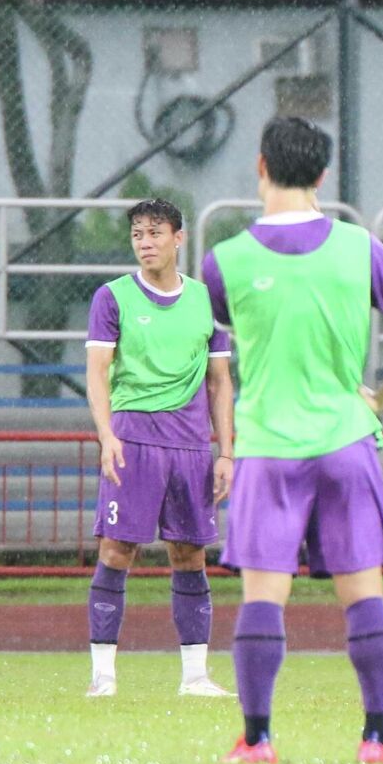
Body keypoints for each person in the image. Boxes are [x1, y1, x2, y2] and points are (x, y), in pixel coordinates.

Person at [204, 117, 383, 764]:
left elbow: (213, 348)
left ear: (260, 167)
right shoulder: (359, 247)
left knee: (262, 597)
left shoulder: (224, 260)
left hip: (269, 445)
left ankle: (256, 738)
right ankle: (376, 737)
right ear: (322, 175)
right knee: (363, 592)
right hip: (345, 439)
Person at [83, 198, 235, 699]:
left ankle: (195, 677)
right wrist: (107, 435)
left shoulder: (207, 300)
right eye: (137, 235)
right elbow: (98, 373)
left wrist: (226, 452)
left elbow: (219, 383)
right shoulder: (112, 297)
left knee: (190, 554)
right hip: (133, 440)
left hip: (191, 446)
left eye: (154, 233)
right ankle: (103, 674)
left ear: (178, 238)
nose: (145, 242)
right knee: (117, 549)